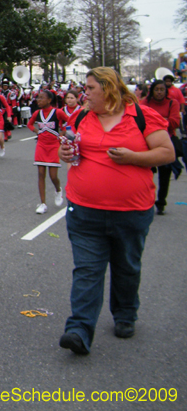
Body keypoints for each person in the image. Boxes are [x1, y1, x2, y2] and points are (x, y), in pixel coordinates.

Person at [57, 68, 173, 356]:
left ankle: (125, 314)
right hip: (85, 211)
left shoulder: (142, 116)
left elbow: (166, 152)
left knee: (127, 266)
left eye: (90, 88)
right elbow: (70, 147)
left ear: (108, 89)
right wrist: (65, 153)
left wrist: (134, 157)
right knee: (87, 270)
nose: (84, 93)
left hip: (131, 212)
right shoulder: (82, 116)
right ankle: (80, 329)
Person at [141, 80, 180, 214]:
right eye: (156, 89)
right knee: (146, 174)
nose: (159, 92)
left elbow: (175, 122)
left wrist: (153, 122)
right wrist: (163, 120)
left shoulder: (172, 103)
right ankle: (147, 201)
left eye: (161, 89)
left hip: (166, 141)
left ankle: (161, 202)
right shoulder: (145, 103)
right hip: (147, 143)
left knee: (165, 175)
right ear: (152, 90)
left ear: (166, 91)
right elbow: (139, 120)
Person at [29, 89, 67, 214]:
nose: (38, 100)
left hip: (54, 146)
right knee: (40, 173)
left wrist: (62, 133)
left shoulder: (58, 112)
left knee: (53, 176)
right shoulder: (37, 113)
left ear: (49, 100)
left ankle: (58, 190)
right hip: (41, 145)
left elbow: (69, 122)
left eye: (41, 98)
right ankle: (43, 203)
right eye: (38, 98)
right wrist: (37, 132)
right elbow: (30, 124)